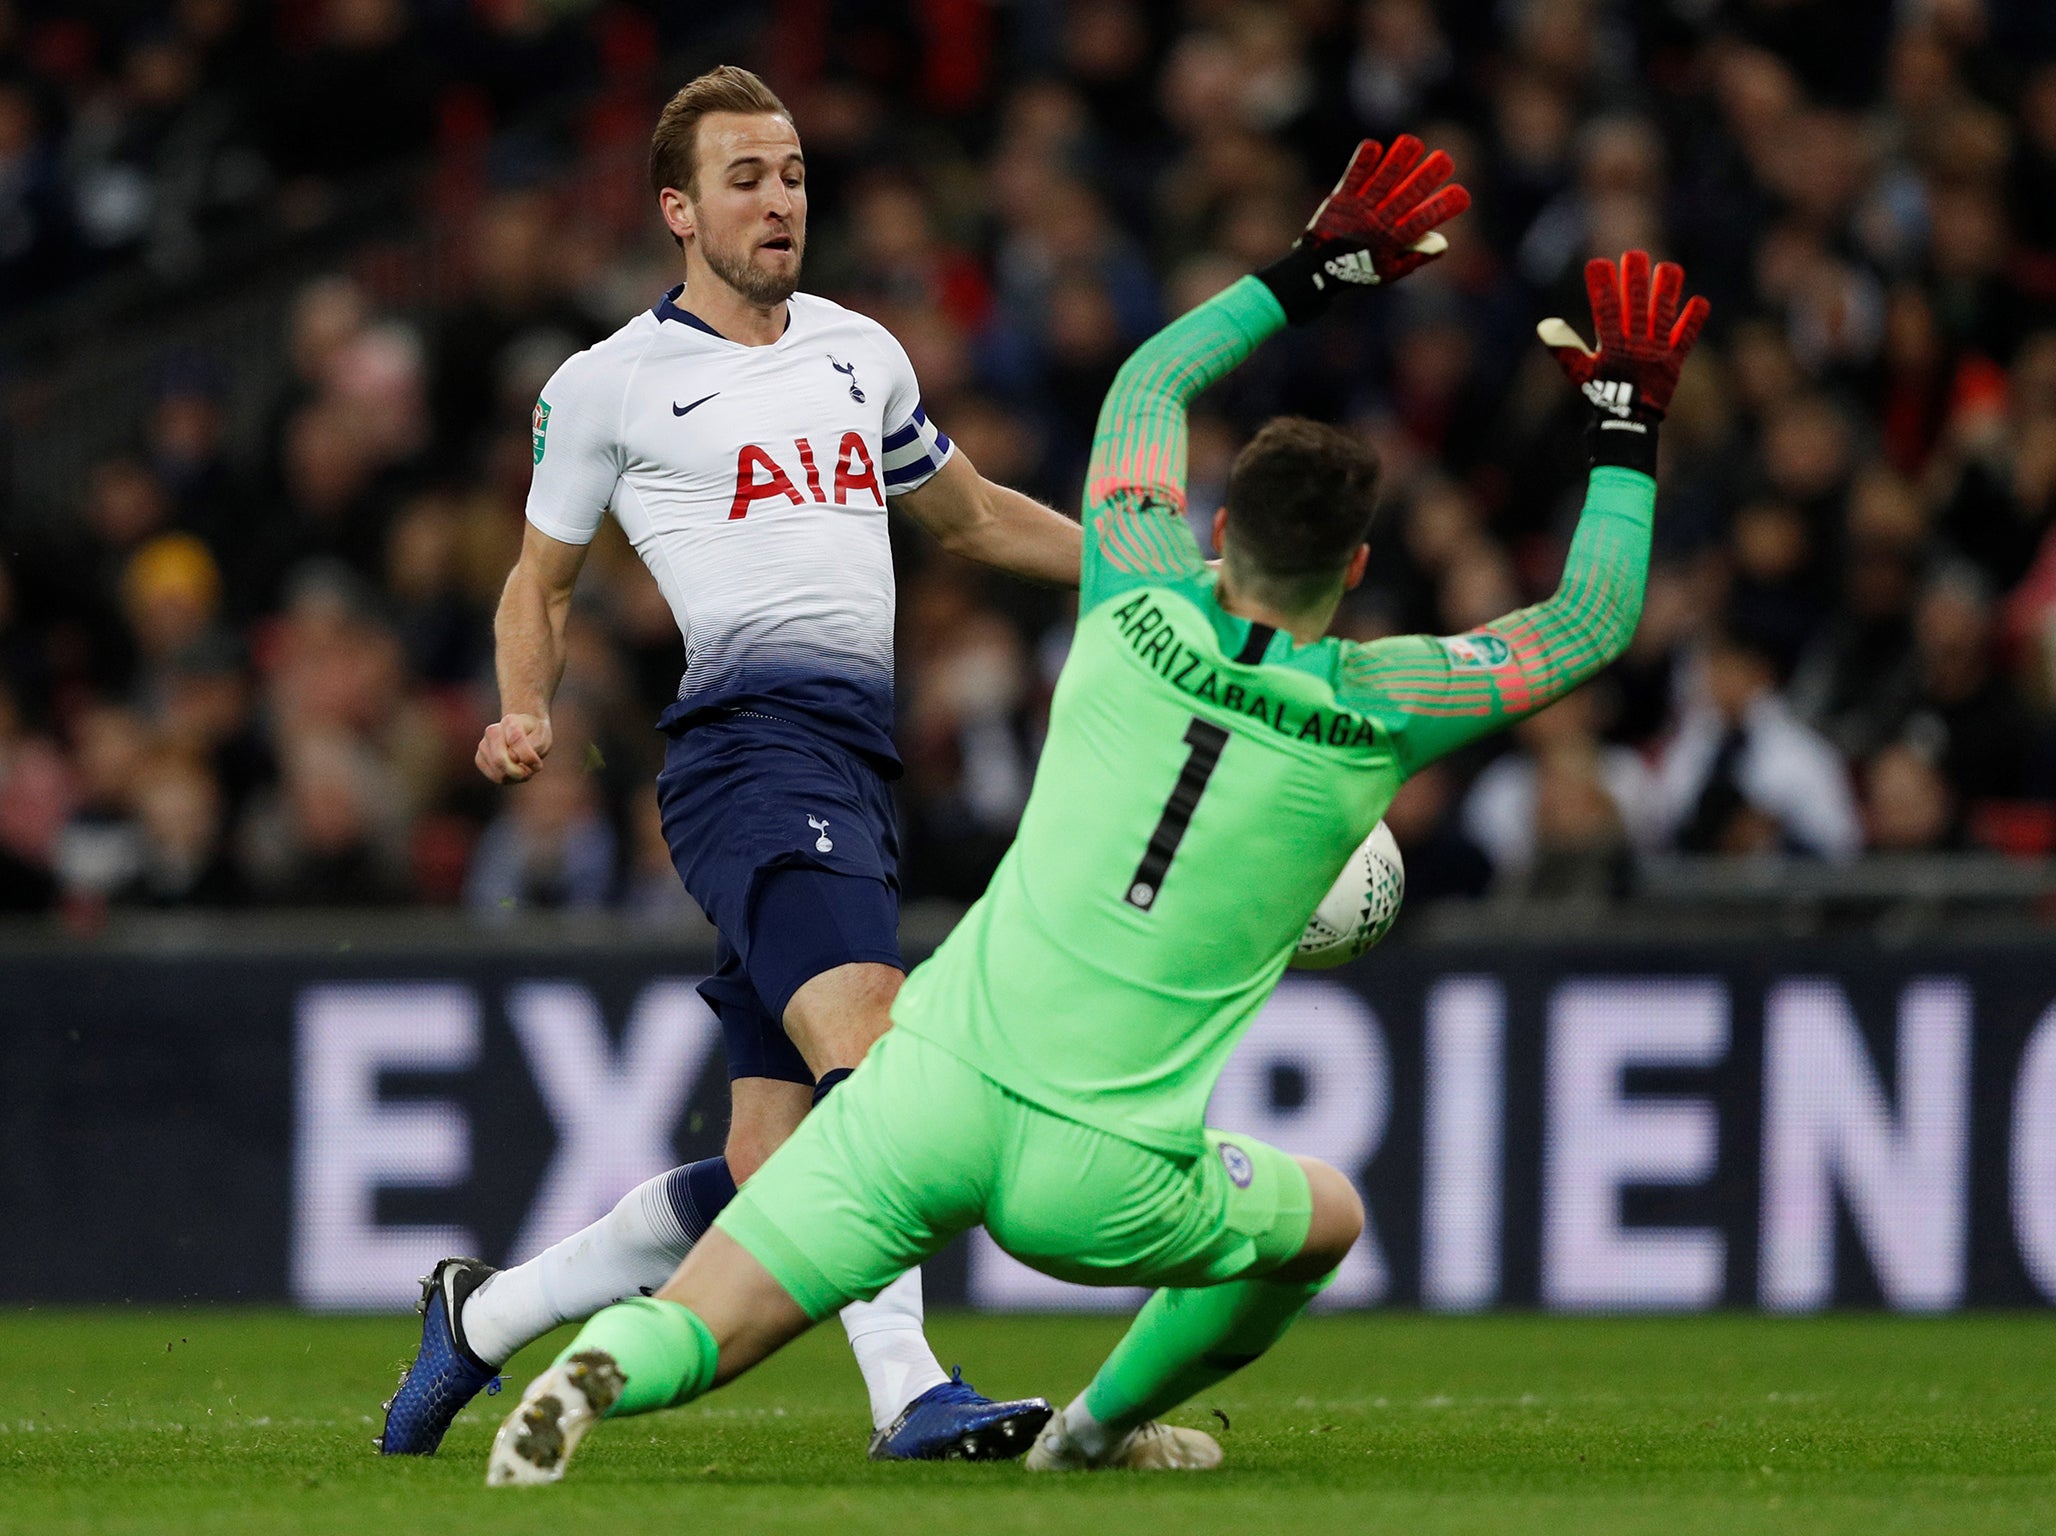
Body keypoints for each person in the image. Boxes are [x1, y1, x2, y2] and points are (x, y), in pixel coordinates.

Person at [481, 155, 1707, 1485]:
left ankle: (601, 1367)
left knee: (713, 1319)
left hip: (934, 1091)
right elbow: (1584, 627)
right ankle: (1096, 1430)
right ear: (1354, 572)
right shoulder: (1375, 706)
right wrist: (1626, 429)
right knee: (1323, 1220)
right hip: (1102, 1174)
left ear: (1215, 528)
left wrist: (1312, 271)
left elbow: (1152, 384)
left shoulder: (1127, 597)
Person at [379, 66, 1082, 1462]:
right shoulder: (607, 385)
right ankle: (910, 1394)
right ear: (678, 210)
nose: (780, 201)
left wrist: (1163, 568)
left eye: (795, 175)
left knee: (776, 1167)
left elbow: (974, 518)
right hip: (747, 755)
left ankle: (482, 1315)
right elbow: (541, 580)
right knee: (876, 1073)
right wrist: (525, 705)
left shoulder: (860, 351)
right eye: (746, 179)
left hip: (855, 763)